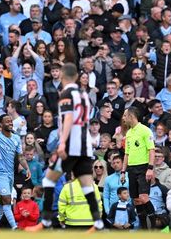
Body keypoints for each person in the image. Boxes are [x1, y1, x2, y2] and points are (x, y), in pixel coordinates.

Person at [27, 63, 103, 232]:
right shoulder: (84, 95)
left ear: (62, 76)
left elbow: (68, 117)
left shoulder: (67, 93)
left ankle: (45, 220)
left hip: (71, 146)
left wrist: (62, 143)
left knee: (48, 179)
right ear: (76, 77)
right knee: (86, 184)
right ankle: (97, 222)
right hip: (85, 147)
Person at [0, 114, 31, 229]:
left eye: (11, 121)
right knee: (7, 199)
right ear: (1, 124)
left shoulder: (16, 138)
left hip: (10, 174)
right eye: (7, 121)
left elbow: (21, 157)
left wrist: (27, 168)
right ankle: (14, 227)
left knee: (2, 202)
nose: (10, 123)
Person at [121, 106, 156, 230]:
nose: (123, 118)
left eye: (125, 115)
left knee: (143, 197)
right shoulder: (129, 133)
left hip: (143, 167)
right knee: (136, 200)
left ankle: (154, 226)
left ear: (131, 116)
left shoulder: (145, 130)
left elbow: (151, 150)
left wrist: (150, 168)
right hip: (131, 169)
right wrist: (123, 171)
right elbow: (127, 154)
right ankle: (144, 228)